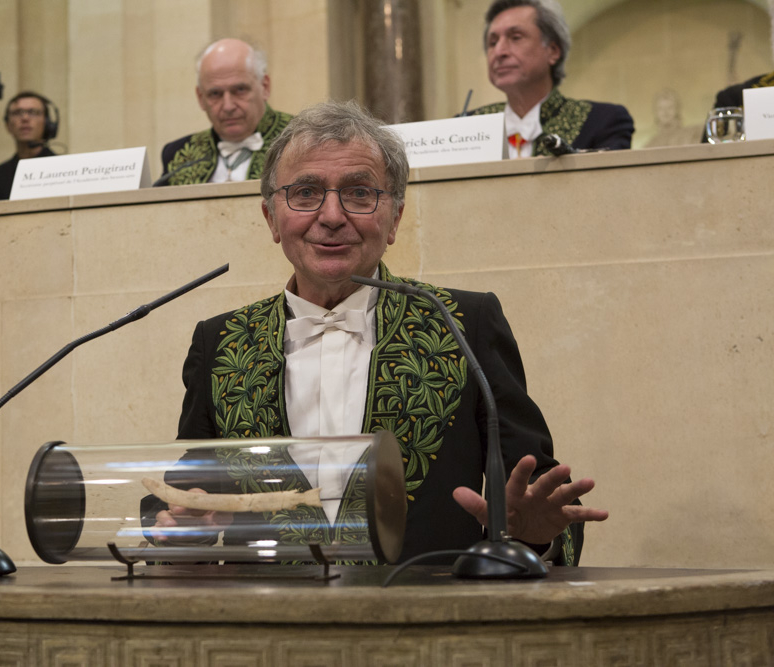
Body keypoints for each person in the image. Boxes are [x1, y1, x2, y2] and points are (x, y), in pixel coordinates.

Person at [150, 101, 608, 565]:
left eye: (359, 193)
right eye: (305, 192)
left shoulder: (465, 321)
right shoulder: (222, 342)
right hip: (268, 625)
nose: (331, 215)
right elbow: (184, 493)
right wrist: (178, 525)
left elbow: (536, 496)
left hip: (432, 622)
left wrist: (532, 537)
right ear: (271, 218)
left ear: (394, 218)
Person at [469, 0, 633, 158]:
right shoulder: (466, 127)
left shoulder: (602, 122)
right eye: (493, 42)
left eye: (516, 37)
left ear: (553, 51)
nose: (499, 51)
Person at [158, 38, 292, 186]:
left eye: (240, 90)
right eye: (215, 94)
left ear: (265, 87)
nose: (228, 106)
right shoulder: (179, 155)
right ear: (201, 98)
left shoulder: (302, 138)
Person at [0, 91, 58, 201]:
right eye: (17, 113)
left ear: (47, 123)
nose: (25, 118)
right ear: (8, 124)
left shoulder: (63, 169)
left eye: (33, 112)